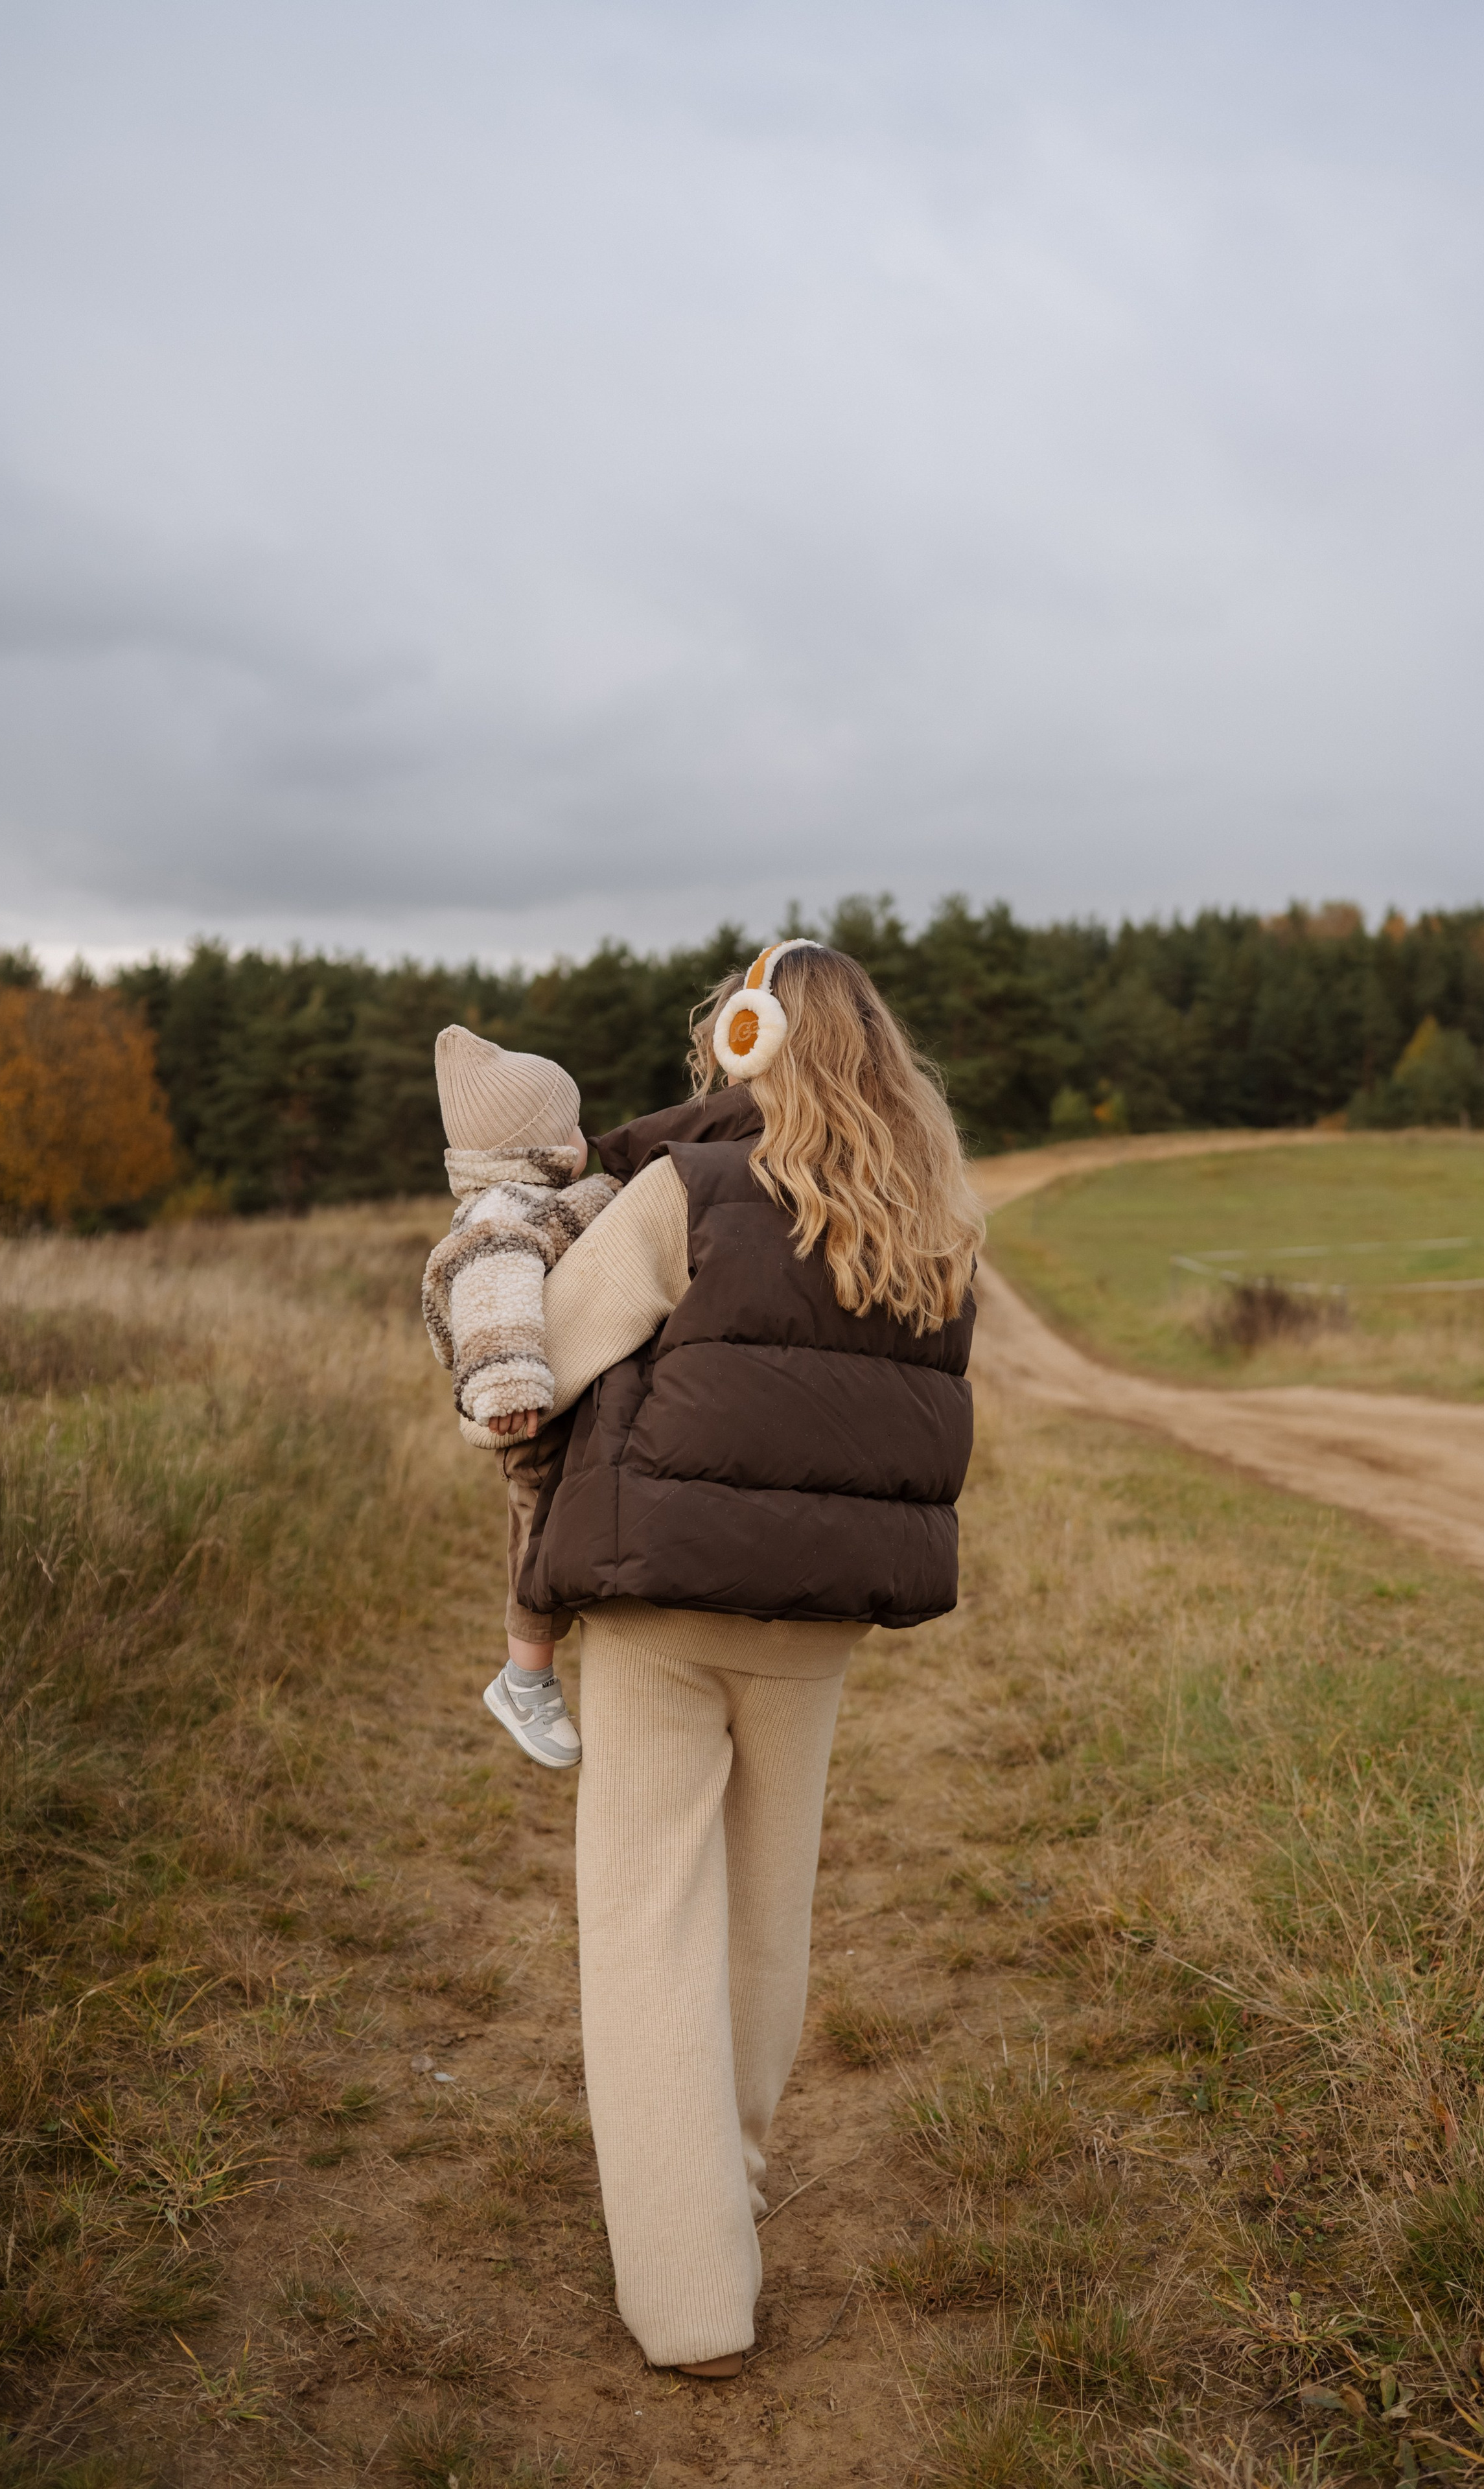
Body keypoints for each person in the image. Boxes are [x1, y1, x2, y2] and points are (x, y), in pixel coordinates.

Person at [510, 940, 984, 2378]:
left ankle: (693, 2298)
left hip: (661, 1609)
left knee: (649, 1929)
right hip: (818, 1625)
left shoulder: (689, 1188)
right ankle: (738, 2189)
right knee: (764, 1922)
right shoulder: (929, 1222)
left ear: (743, 1037)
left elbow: (551, 1350)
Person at [421, 1025, 619, 1770]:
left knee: (558, 1525)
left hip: (546, 1395)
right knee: (538, 1535)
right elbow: (493, 1286)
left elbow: (591, 1211)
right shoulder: (499, 1217)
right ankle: (525, 1677)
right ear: (535, 1144)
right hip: (523, 1409)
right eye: (572, 1124)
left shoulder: (529, 1200)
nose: (584, 1137)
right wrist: (506, 1384)